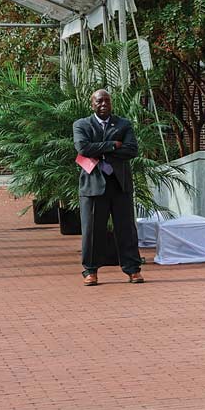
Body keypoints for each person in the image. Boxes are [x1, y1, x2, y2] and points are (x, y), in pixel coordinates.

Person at [73, 89, 142, 285]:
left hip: (120, 185)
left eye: (107, 101)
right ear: (92, 104)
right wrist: (113, 145)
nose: (103, 104)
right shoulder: (82, 124)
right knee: (92, 231)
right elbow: (83, 148)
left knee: (126, 229)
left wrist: (100, 149)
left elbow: (132, 150)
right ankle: (90, 271)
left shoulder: (123, 124)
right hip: (93, 186)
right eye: (99, 101)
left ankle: (133, 269)